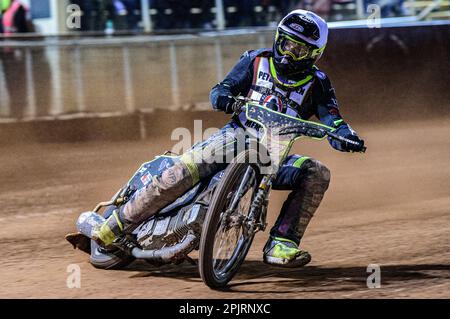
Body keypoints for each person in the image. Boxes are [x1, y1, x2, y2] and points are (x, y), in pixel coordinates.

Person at [93, 10, 365, 268]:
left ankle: (281, 243)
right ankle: (116, 224)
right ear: (277, 39)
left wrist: (344, 135)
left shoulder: (318, 84)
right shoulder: (256, 60)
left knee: (317, 172)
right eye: (285, 44)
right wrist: (225, 98)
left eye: (299, 50)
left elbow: (333, 119)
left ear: (314, 55)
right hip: (234, 139)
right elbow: (221, 89)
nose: (288, 54)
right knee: (184, 168)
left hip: (275, 158)